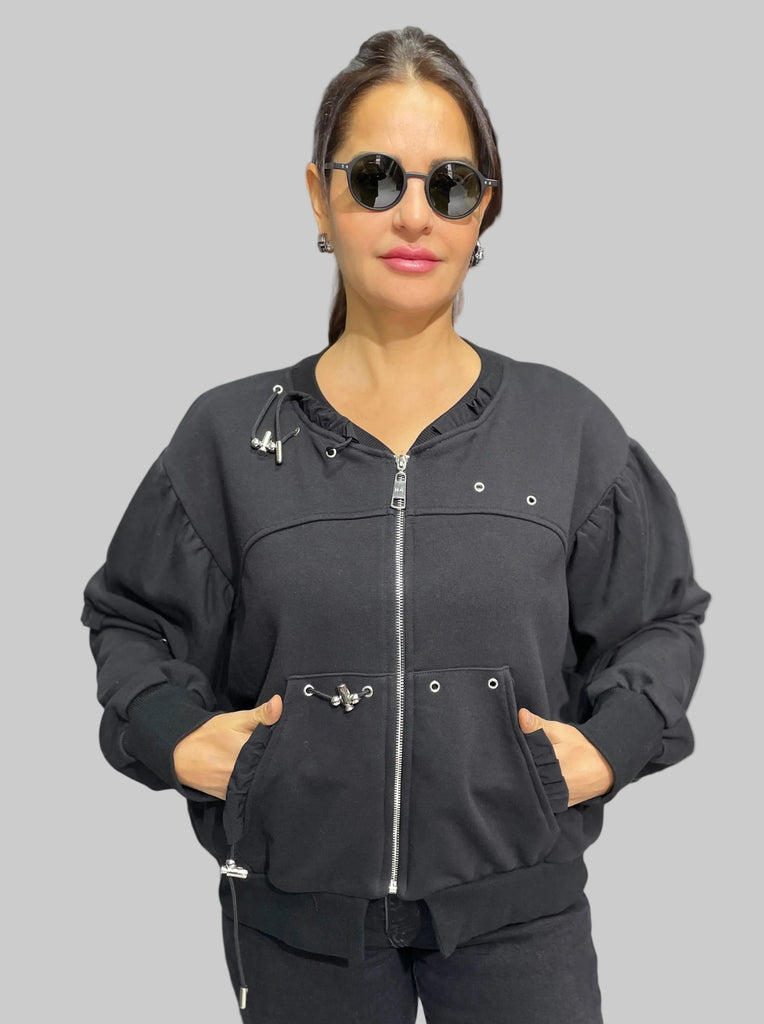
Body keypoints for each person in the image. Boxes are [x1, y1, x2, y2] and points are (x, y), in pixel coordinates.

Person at [81, 25, 711, 1024]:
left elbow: (661, 619)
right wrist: (175, 735)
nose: (413, 214)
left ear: (483, 208)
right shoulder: (229, 437)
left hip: (521, 926)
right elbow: (130, 619)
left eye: (449, 185)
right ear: (319, 195)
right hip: (297, 931)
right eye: (375, 179)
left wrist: (613, 741)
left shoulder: (568, 429)